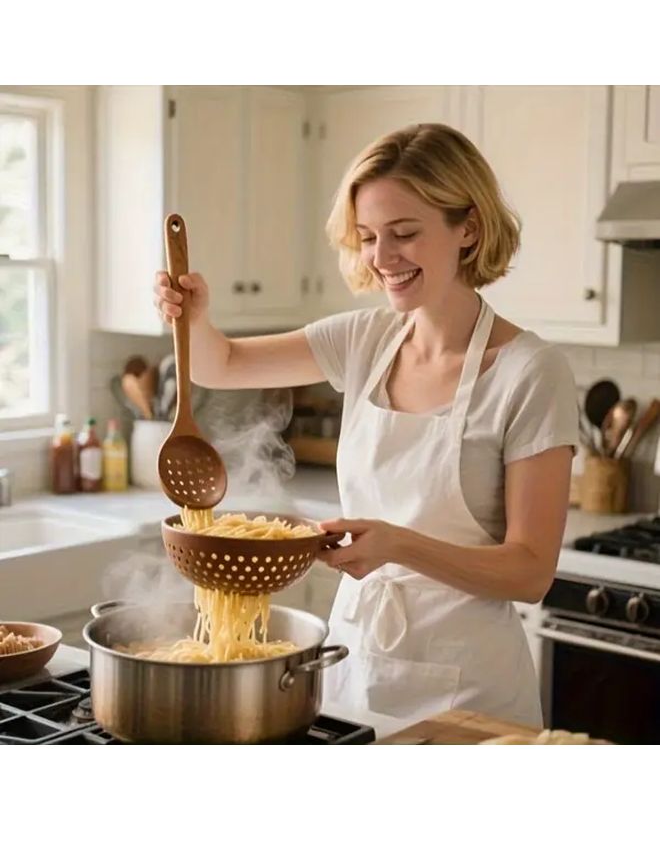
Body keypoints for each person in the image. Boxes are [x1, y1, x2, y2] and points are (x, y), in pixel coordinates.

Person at [153, 123, 578, 727]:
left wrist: (398, 544)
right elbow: (222, 364)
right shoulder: (365, 338)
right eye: (369, 237)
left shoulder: (530, 373)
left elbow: (530, 571)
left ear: (470, 228)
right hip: (354, 661)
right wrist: (194, 316)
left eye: (405, 233)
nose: (382, 258)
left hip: (471, 693)